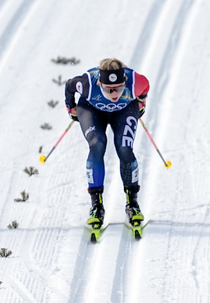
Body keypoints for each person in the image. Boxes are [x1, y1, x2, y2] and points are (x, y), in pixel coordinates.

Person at [64, 58, 149, 232]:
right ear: (99, 83)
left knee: (124, 147)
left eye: (118, 88)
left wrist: (141, 102)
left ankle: (132, 203)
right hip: (92, 109)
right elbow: (69, 85)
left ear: (125, 81)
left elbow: (145, 86)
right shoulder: (87, 83)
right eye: (108, 89)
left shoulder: (136, 82)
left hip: (124, 110)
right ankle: (96, 206)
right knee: (97, 145)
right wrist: (70, 107)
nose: (114, 94)